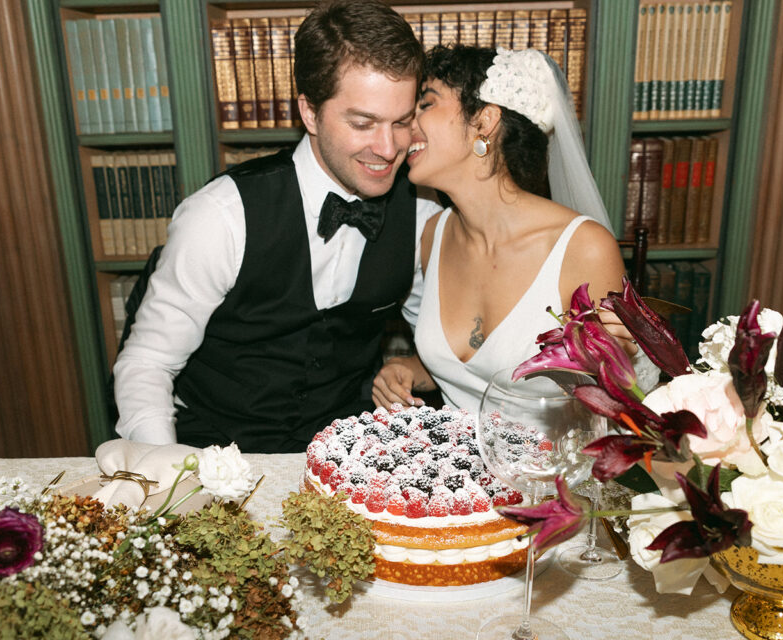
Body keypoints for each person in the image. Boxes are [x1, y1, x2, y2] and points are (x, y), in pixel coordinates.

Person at [113, 0, 439, 453]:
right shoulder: (220, 215)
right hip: (209, 450)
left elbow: (442, 344)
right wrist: (169, 471)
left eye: (401, 122)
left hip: (344, 454)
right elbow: (147, 363)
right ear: (309, 113)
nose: (388, 148)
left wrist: (411, 365)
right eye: (363, 123)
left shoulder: (421, 211)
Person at [373, 45, 652, 413]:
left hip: (553, 466)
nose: (406, 127)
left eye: (426, 104)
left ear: (485, 121)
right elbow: (473, 369)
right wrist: (406, 369)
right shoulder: (432, 235)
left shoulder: (582, 248)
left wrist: (612, 360)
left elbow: (618, 399)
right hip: (457, 465)